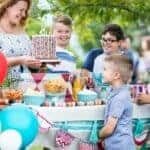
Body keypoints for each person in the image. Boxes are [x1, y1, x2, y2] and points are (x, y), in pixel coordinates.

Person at [0, 0, 41, 87]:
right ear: (7, 6)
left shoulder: (23, 34)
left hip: (27, 91)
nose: (24, 15)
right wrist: (20, 60)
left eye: (25, 11)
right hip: (4, 91)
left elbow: (29, 62)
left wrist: (35, 64)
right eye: (21, 10)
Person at [99, 54, 135, 150]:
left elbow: (110, 128)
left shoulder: (119, 98)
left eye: (105, 69)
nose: (102, 72)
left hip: (120, 146)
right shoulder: (115, 92)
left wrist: (99, 135)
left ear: (116, 75)